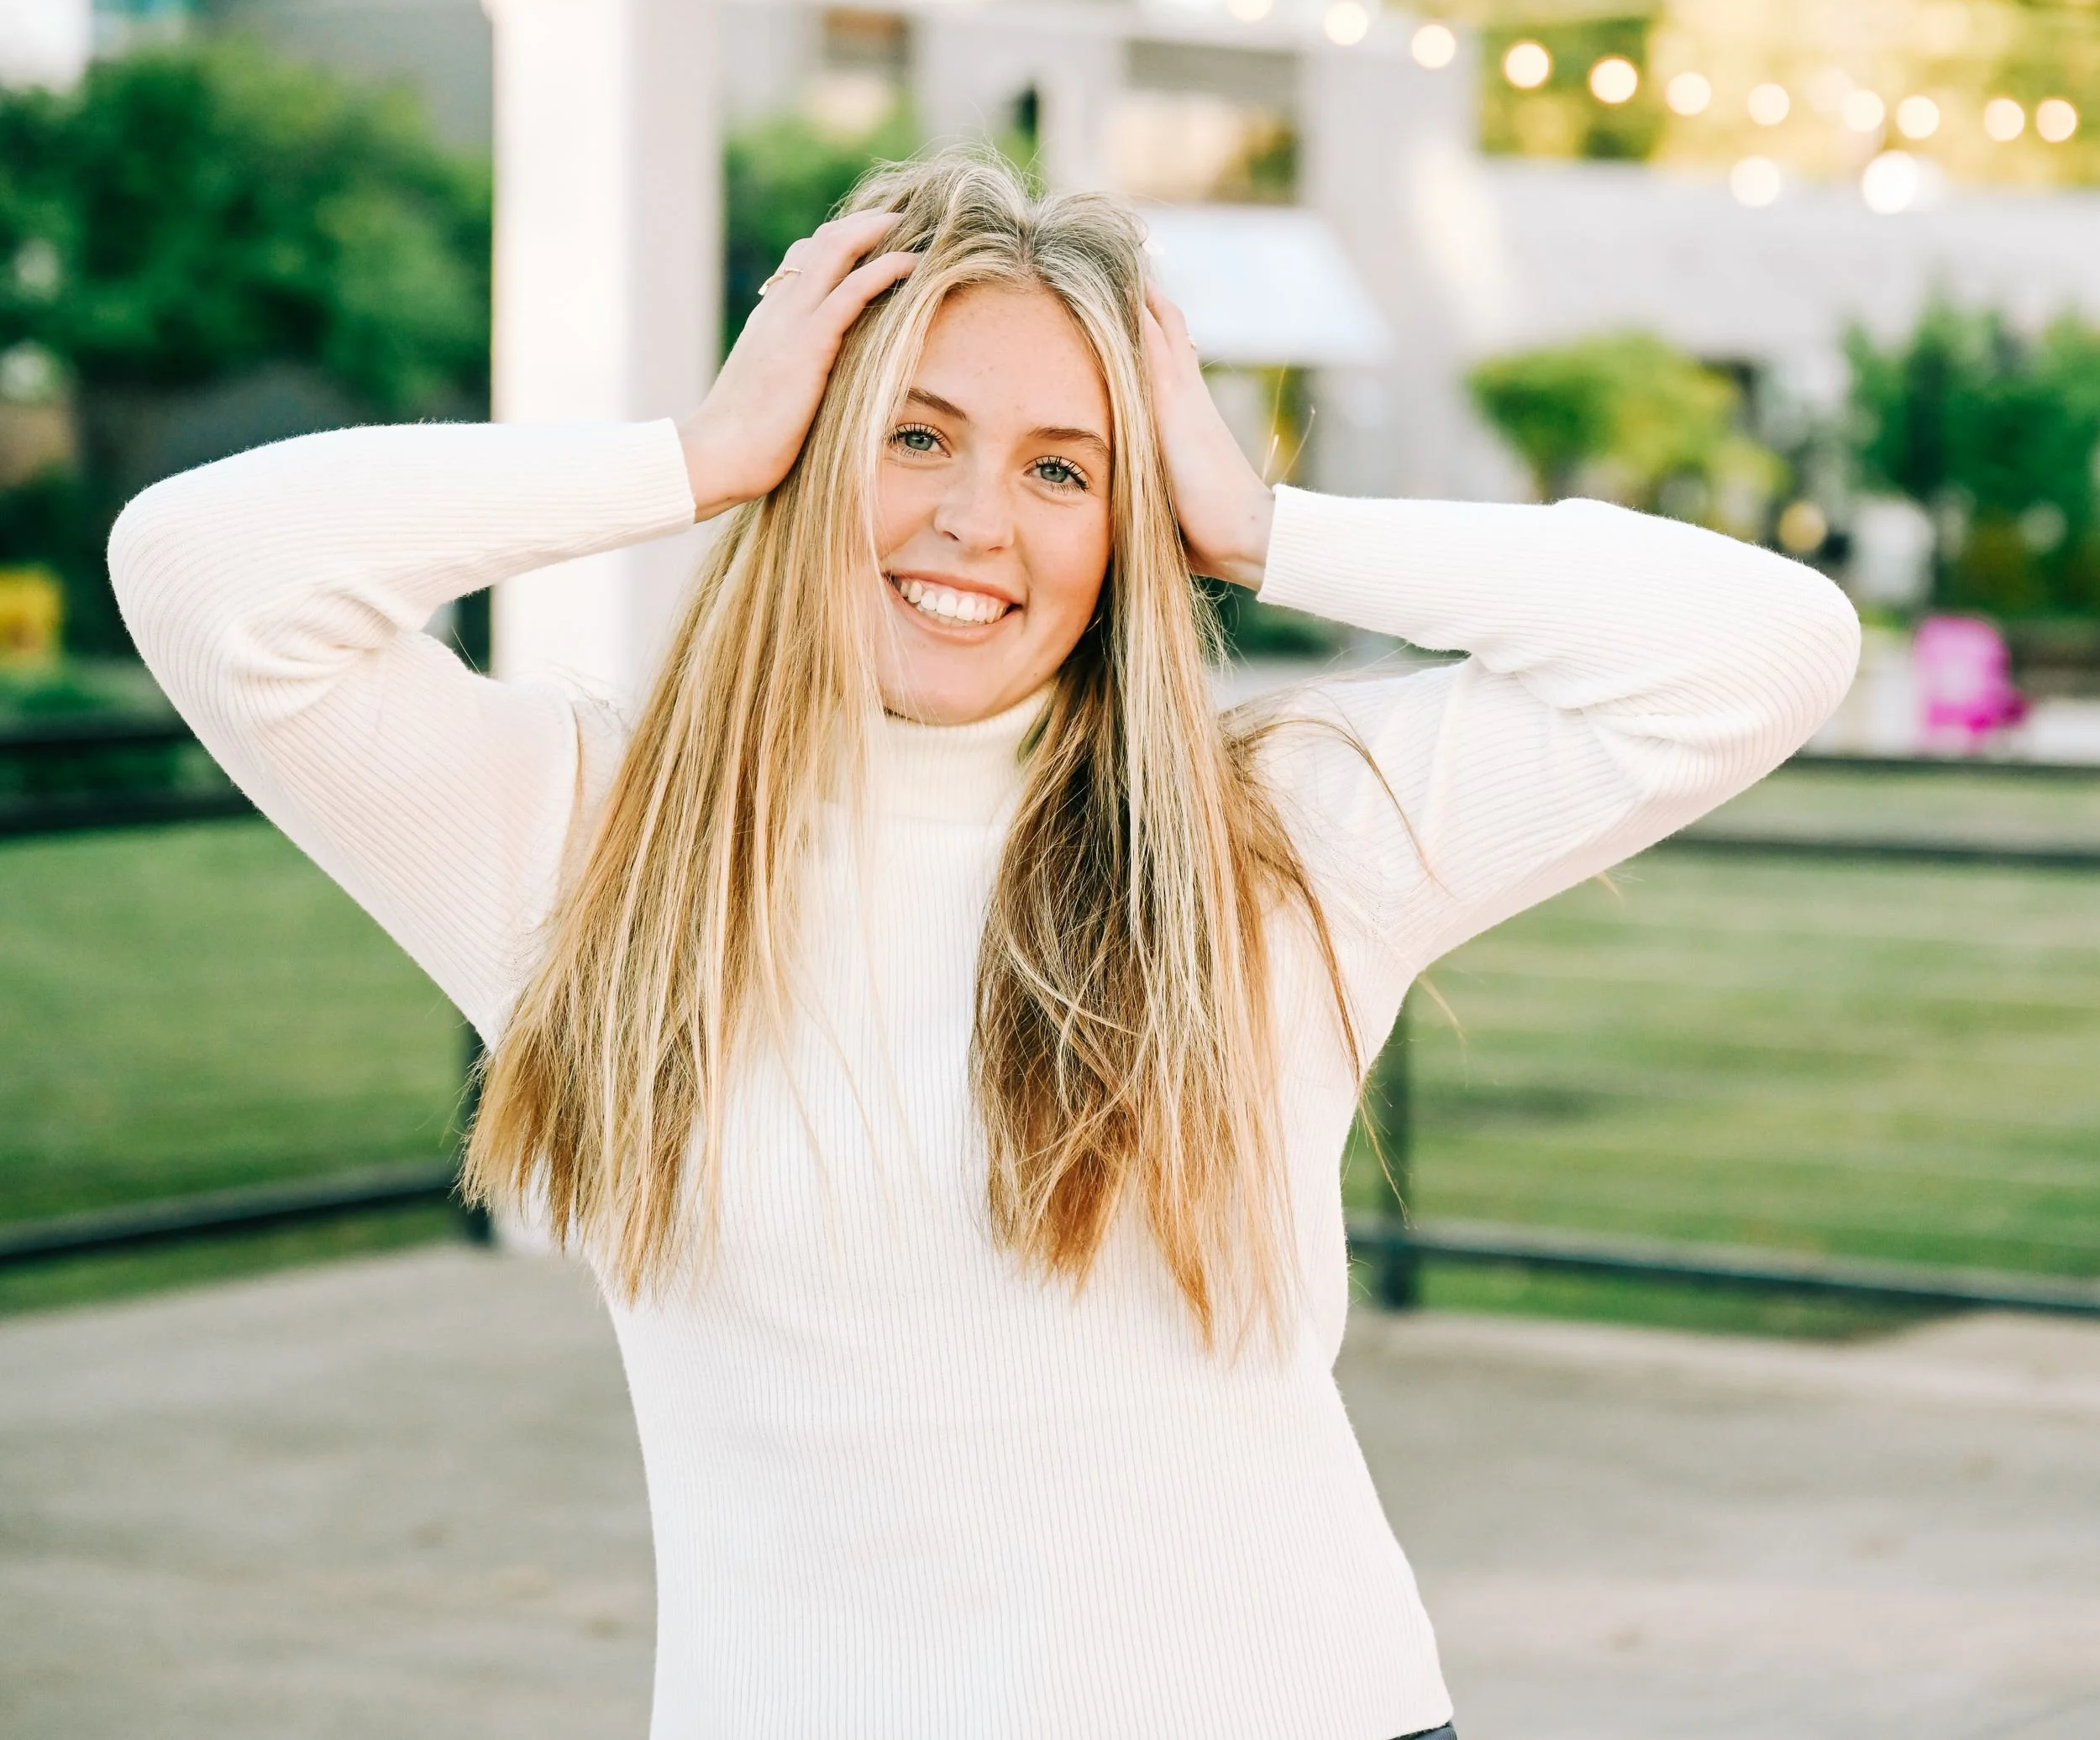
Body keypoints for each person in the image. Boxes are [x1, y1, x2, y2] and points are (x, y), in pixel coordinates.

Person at [109, 150, 1858, 1740]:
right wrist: (694, 457)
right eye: (915, 434)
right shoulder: (586, 834)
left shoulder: (1281, 835)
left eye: (1062, 468)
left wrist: (1258, 522)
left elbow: (1762, 652)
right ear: (810, 450)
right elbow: (202, 571)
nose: (976, 522)